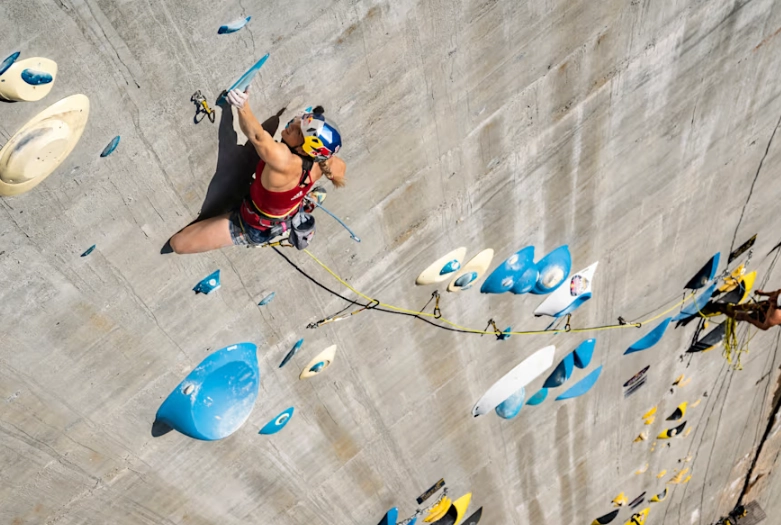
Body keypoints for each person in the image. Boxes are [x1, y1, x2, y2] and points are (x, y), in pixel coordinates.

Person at [169, 87, 346, 254]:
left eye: (299, 133)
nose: (294, 125)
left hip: (252, 225)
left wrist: (242, 106)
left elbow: (258, 137)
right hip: (280, 210)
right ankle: (309, 201)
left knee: (178, 244)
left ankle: (299, 209)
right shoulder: (323, 161)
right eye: (301, 122)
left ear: (302, 150)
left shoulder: (284, 161)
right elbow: (340, 169)